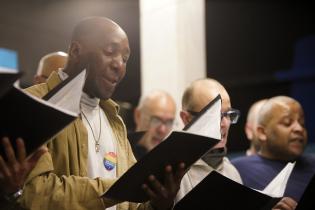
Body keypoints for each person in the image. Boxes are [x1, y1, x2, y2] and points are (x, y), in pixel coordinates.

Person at [0, 17, 185, 210]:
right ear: (76, 51)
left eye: (125, 58)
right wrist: (117, 189)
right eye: (110, 52)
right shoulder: (33, 104)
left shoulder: (115, 120)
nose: (119, 65)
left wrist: (158, 204)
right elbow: (34, 194)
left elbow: (131, 204)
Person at [232, 96, 315, 203]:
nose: (299, 128)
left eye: (302, 123)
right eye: (287, 123)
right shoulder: (236, 170)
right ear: (262, 132)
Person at [175, 78, 242, 201]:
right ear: (186, 118)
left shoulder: (231, 172)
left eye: (228, 114)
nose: (225, 123)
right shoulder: (174, 175)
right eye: (214, 115)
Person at [133, 90, 176, 159]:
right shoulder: (120, 153)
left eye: (169, 122)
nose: (162, 130)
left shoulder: (172, 159)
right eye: (156, 120)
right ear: (138, 116)